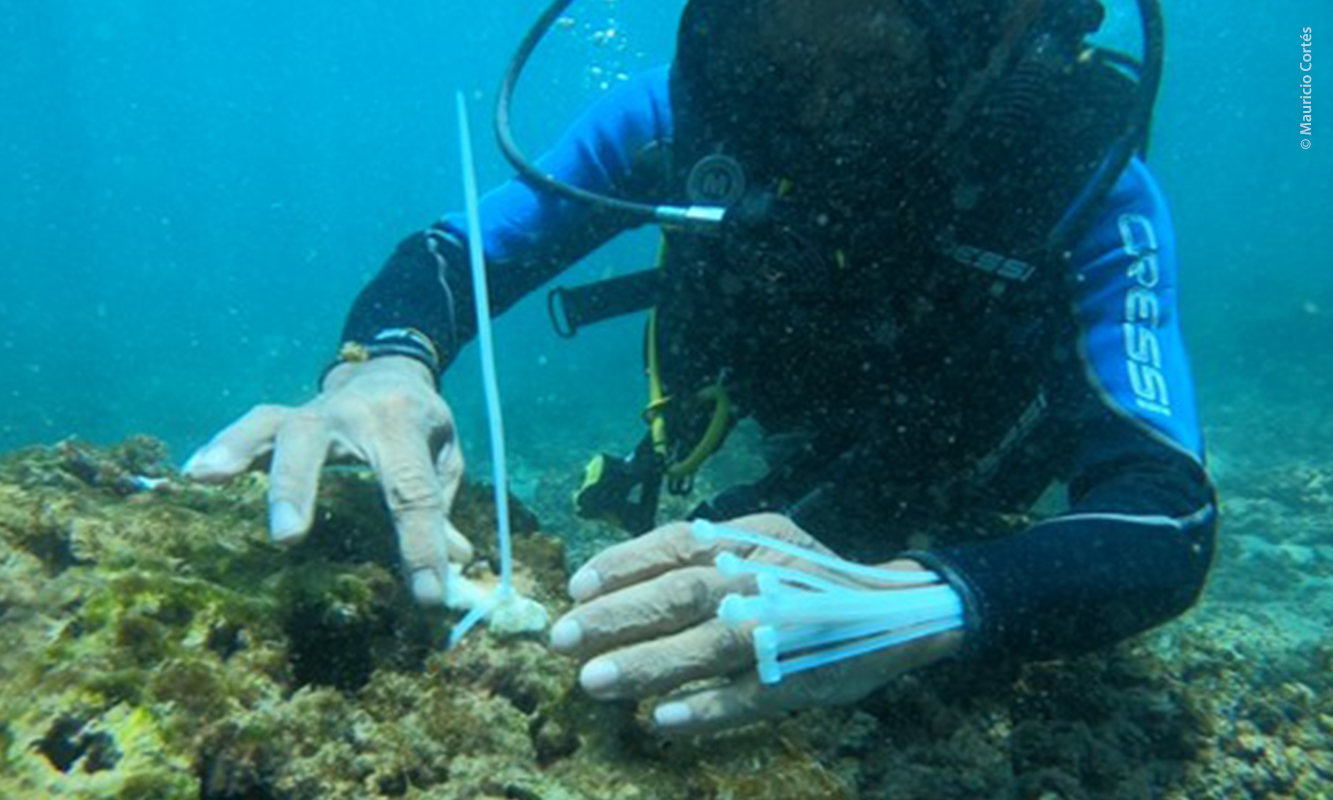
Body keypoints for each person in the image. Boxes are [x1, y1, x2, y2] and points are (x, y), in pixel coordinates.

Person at [185, 0, 1217, 736]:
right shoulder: (672, 118)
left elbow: (1164, 518)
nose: (813, 124)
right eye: (771, 65)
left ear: (996, 32)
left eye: (870, 77)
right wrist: (383, 364)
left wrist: (933, 600)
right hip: (792, 429)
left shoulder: (1089, 192)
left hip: (966, 474)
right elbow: (454, 253)